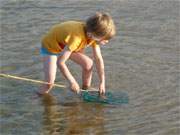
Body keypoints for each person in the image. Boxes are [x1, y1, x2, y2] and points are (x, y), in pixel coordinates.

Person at [38, 12, 116, 95]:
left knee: (88, 64)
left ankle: (85, 90)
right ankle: (38, 96)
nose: (106, 41)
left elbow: (98, 59)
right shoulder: (76, 38)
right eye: (104, 39)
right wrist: (72, 82)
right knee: (49, 83)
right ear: (91, 34)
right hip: (51, 47)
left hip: (65, 44)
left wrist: (102, 82)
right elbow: (60, 62)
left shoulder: (93, 36)